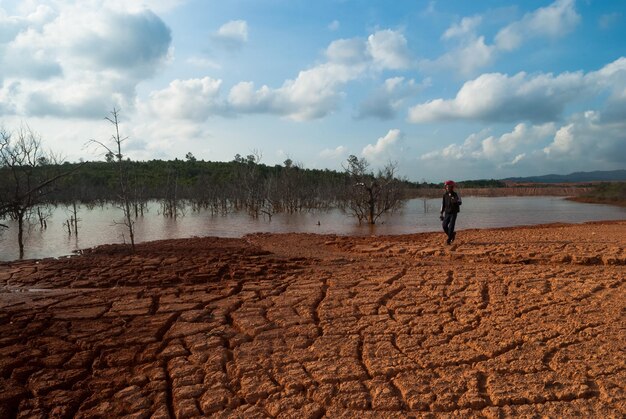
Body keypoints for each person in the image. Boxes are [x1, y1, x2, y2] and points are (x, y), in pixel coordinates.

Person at [439, 180, 462, 245]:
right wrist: (441, 213)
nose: (447, 188)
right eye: (446, 187)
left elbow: (460, 202)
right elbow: (443, 204)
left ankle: (448, 240)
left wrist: (455, 201)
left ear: (452, 187)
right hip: (447, 212)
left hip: (454, 213)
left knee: (451, 226)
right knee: (444, 226)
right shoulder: (444, 195)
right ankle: (452, 234)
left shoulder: (456, 194)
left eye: (449, 187)